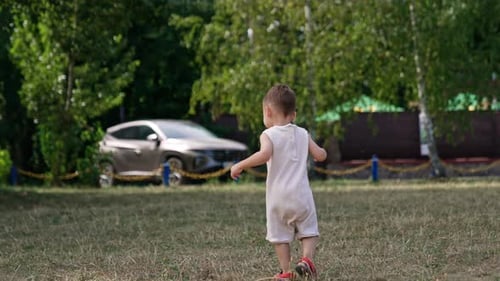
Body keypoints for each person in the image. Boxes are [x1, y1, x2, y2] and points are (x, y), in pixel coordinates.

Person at [230, 84, 327, 280]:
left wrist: (240, 165)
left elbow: (264, 154)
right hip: (302, 196)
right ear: (294, 114)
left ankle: (286, 272)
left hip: (278, 198)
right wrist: (320, 153)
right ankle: (306, 260)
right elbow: (320, 155)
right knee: (309, 232)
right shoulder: (302, 133)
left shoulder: (268, 134)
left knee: (280, 236)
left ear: (268, 111)